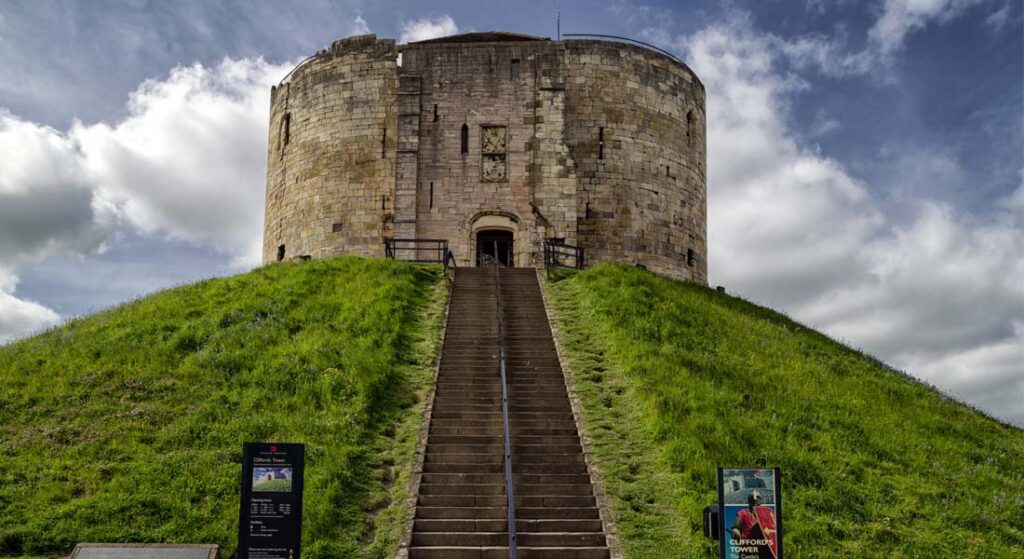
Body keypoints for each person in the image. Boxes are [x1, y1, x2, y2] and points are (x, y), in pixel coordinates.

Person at [730, 491, 778, 559]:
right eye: (753, 504)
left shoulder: (766, 515)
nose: (755, 506)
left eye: (757, 504)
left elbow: (773, 528)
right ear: (749, 503)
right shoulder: (743, 513)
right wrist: (735, 530)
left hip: (762, 549)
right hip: (748, 549)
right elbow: (736, 526)